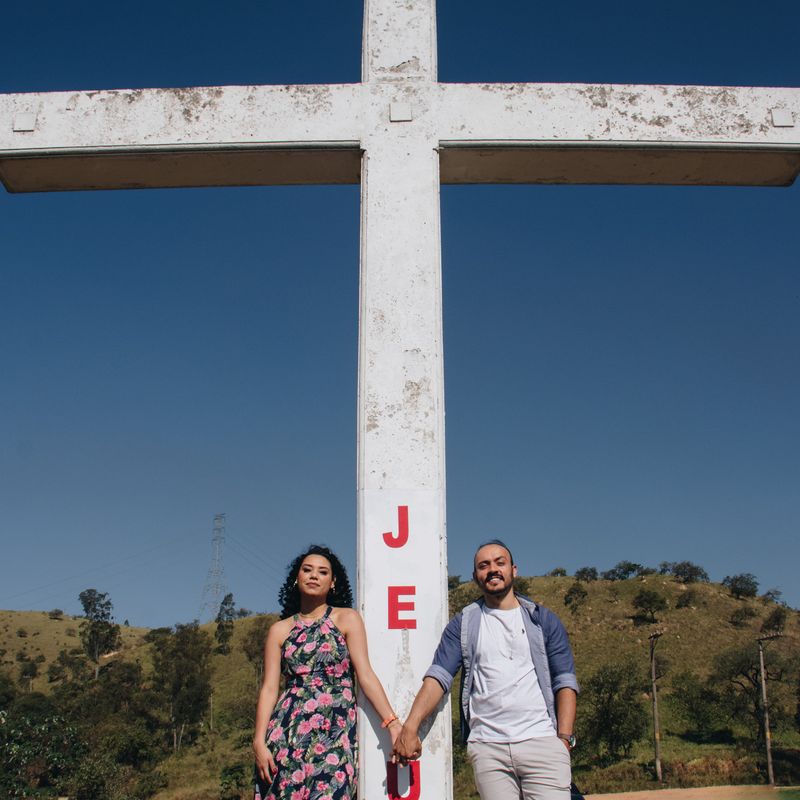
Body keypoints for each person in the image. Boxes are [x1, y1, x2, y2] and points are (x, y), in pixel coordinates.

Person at [393, 539, 579, 800]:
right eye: (484, 565)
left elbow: (565, 681)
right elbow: (438, 677)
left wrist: (563, 739)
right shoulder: (463, 624)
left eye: (499, 563)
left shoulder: (543, 620)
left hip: (542, 742)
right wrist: (410, 727)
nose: (492, 569)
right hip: (488, 748)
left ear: (513, 570)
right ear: (475, 576)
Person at [253, 545, 401, 800]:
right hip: (286, 733)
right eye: (307, 570)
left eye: (322, 572)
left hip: (334, 731)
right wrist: (258, 741)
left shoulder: (347, 619)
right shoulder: (279, 630)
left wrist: (393, 723)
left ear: (333, 582)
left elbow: (365, 675)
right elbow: (269, 688)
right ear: (296, 577)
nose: (313, 576)